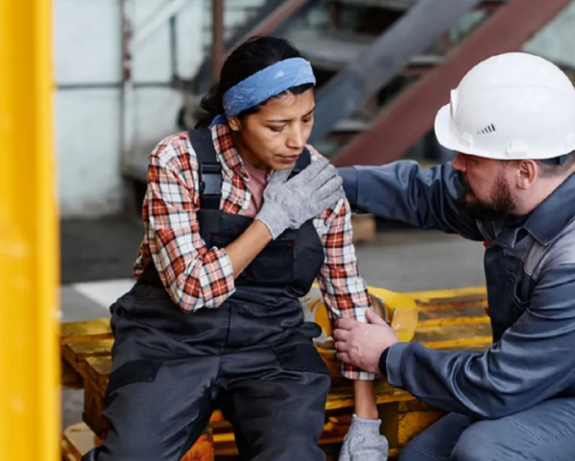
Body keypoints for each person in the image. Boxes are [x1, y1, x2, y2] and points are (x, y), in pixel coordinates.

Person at [331, 52, 575, 461]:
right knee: (423, 457)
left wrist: (389, 355)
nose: (456, 165)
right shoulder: (518, 191)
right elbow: (425, 193)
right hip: (552, 379)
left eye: (471, 158)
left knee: (487, 452)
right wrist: (330, 183)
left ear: (525, 172)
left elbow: (498, 386)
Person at [83, 36, 388, 461]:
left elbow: (346, 296)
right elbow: (191, 289)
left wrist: (366, 421)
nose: (296, 140)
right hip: (170, 342)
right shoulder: (178, 161)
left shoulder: (316, 181)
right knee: (133, 454)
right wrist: (272, 219)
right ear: (235, 118)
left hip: (271, 346)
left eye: (307, 119)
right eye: (277, 127)